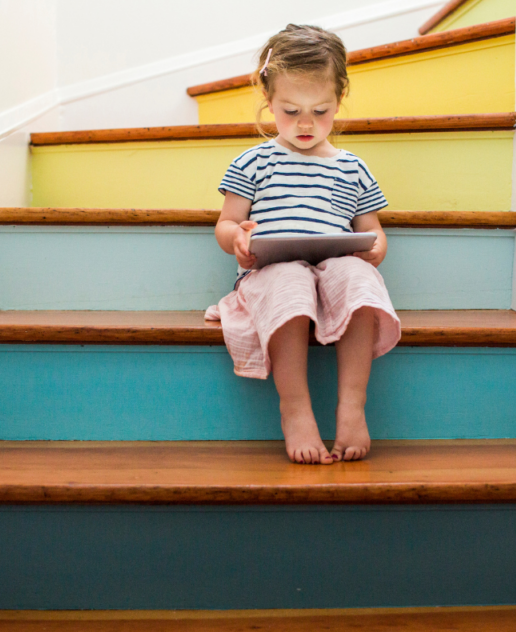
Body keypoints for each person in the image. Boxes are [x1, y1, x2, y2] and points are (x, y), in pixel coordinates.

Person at [207, 24, 400, 465]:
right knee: (291, 279)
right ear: (268, 102)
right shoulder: (253, 161)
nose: (306, 123)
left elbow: (372, 228)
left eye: (321, 110)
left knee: (359, 276)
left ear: (340, 99)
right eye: (291, 111)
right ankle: (295, 408)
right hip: (272, 271)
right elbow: (226, 223)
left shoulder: (352, 167)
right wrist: (236, 237)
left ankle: (352, 406)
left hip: (333, 268)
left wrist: (376, 249)